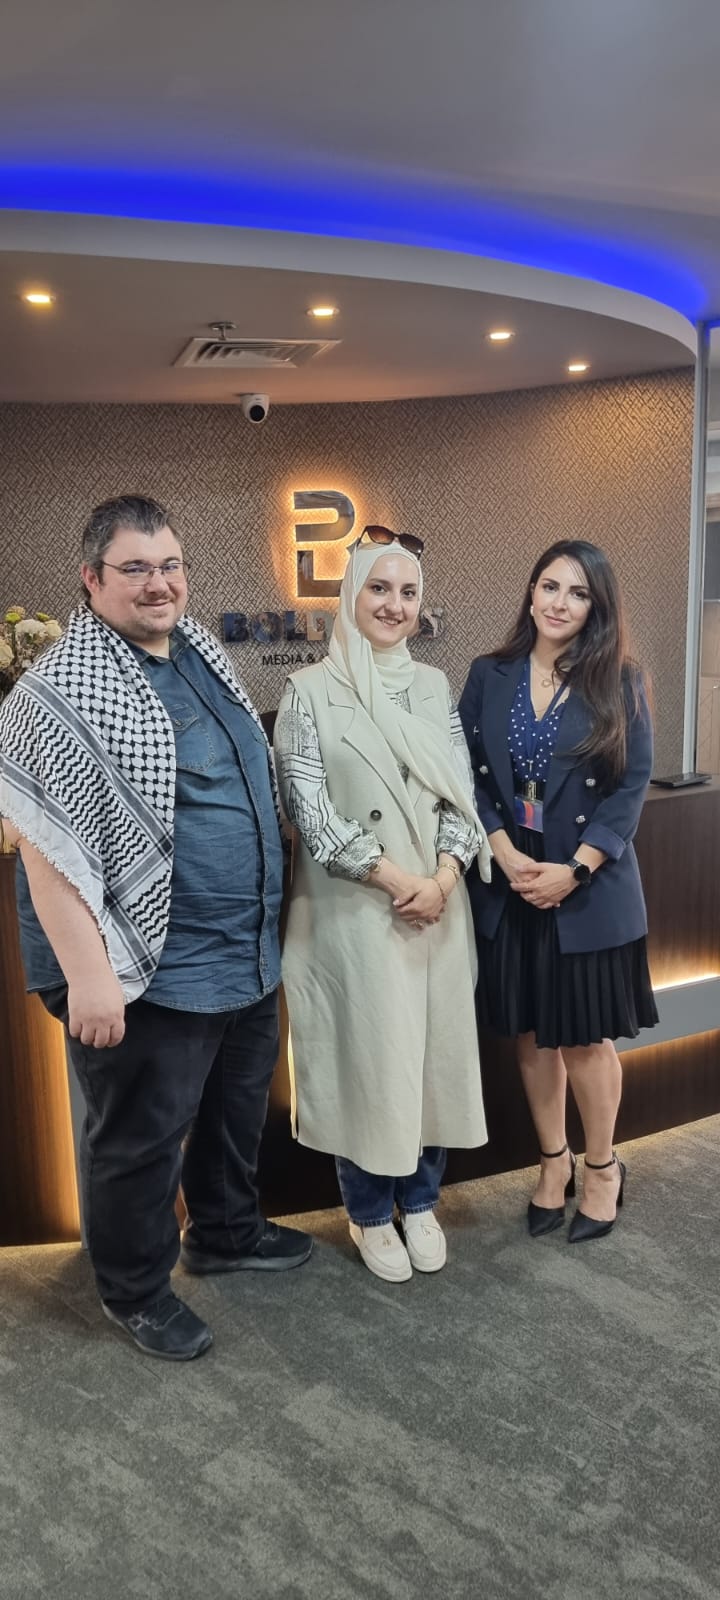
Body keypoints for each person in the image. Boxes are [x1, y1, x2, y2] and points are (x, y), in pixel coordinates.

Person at [0, 494, 312, 1361]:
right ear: (91, 578)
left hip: (241, 952)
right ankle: (134, 1289)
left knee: (232, 1112)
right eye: (135, 569)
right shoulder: (55, 692)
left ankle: (226, 1233)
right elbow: (48, 852)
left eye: (169, 565)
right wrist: (90, 976)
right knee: (140, 1137)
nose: (158, 584)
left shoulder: (200, 650)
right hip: (148, 965)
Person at [273, 527, 491, 1283]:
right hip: (357, 912)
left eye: (408, 592)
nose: (394, 605)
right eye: (379, 588)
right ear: (350, 594)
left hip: (437, 910)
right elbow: (309, 809)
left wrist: (445, 877)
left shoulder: (433, 686)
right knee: (368, 1061)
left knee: (431, 1059)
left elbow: (462, 792)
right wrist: (401, 882)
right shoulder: (307, 691)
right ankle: (368, 1212)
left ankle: (421, 1201)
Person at [459, 539, 657, 1243]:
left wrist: (574, 868)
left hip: (586, 887)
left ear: (596, 608)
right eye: (550, 586)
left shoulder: (619, 680)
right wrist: (503, 850)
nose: (559, 603)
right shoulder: (490, 673)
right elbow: (466, 771)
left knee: (582, 1039)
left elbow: (631, 787)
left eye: (578, 593)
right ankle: (553, 1162)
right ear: (531, 590)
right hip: (513, 879)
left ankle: (602, 1168)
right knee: (534, 1037)